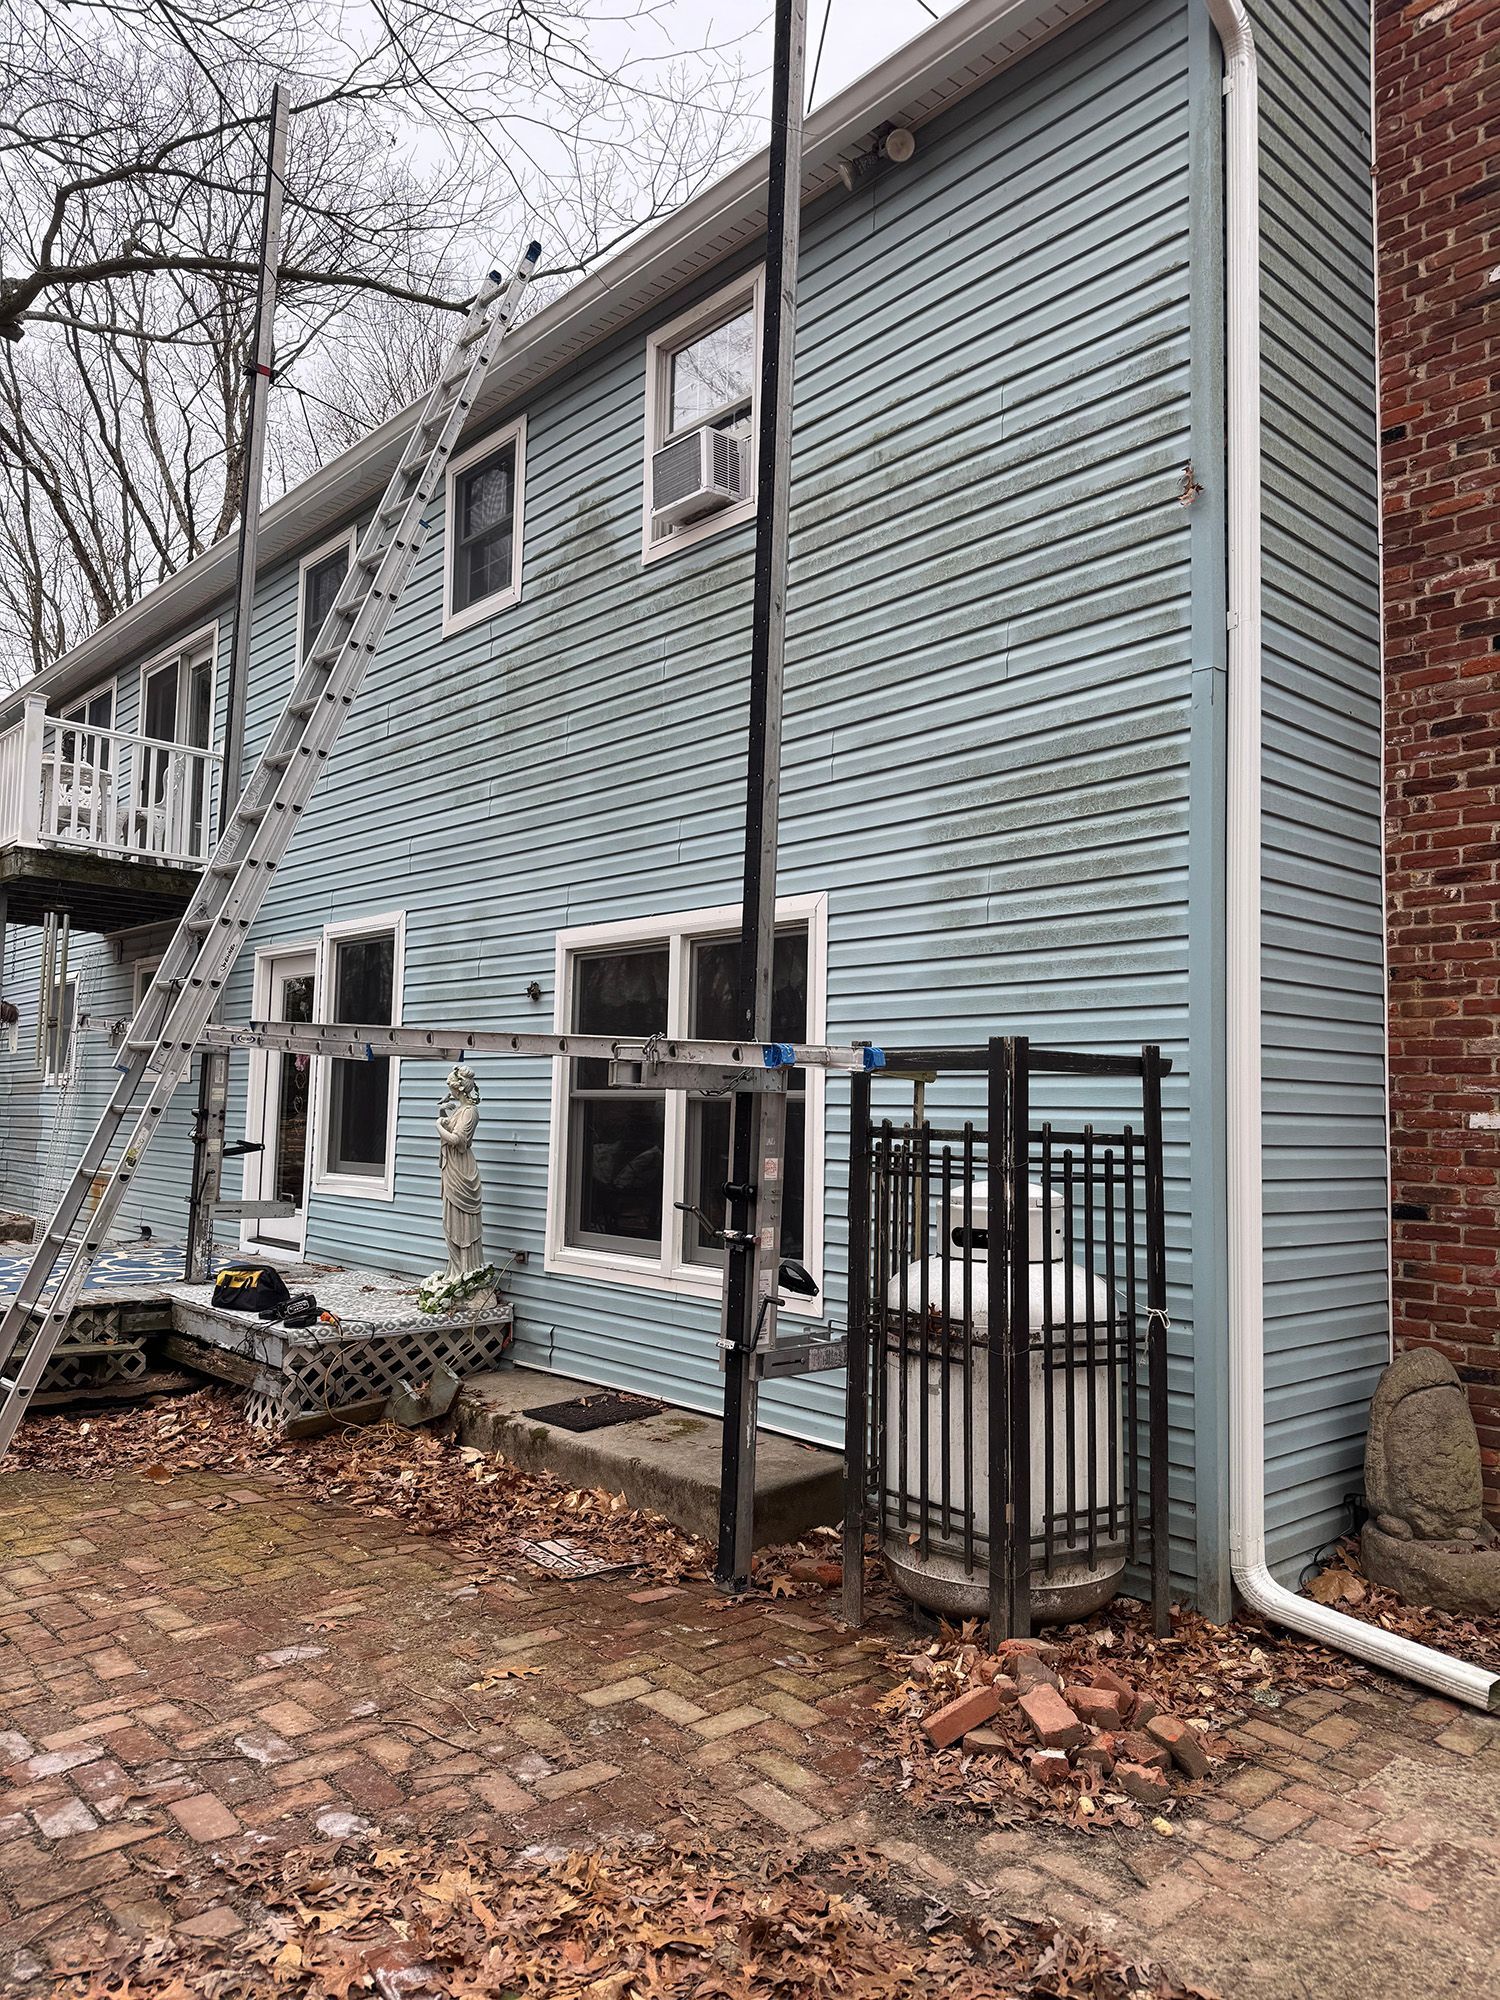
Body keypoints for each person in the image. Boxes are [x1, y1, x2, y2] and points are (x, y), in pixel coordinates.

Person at [436, 1065, 484, 1280]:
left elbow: (458, 1140)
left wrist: (438, 1125)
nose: (450, 1091)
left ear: (459, 1089)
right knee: (450, 1220)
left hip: (461, 1169)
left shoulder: (470, 1112)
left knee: (462, 1221)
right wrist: (444, 1116)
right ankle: (455, 1271)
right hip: (451, 1166)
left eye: (451, 1087)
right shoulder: (460, 1110)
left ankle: (467, 1271)